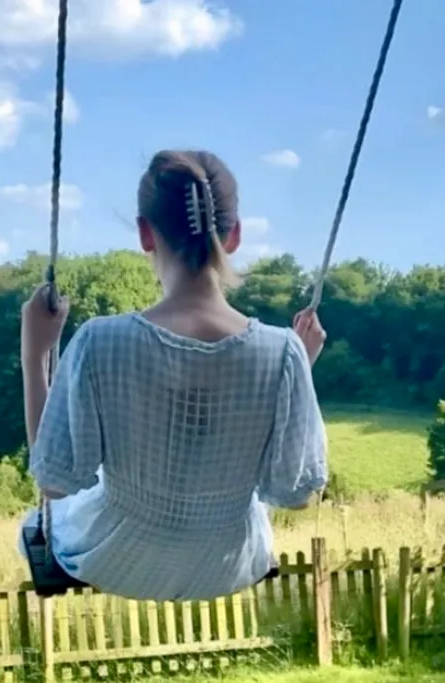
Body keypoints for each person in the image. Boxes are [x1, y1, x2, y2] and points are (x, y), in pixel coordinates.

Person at [18, 149, 328, 602]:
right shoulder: (283, 352)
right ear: (235, 235)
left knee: (41, 521)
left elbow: (54, 480)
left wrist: (35, 354)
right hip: (231, 560)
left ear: (146, 234)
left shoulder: (99, 342)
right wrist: (297, 372)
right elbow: (294, 492)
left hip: (115, 556)